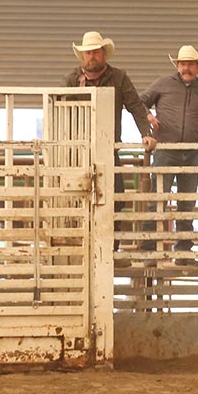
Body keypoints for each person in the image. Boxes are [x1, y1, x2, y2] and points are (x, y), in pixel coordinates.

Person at [61, 31, 157, 267]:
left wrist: (146, 133)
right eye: (87, 53)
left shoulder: (119, 78)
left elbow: (135, 105)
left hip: (108, 149)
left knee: (116, 199)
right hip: (78, 150)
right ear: (82, 56)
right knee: (77, 200)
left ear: (103, 54)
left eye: (94, 52)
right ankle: (82, 250)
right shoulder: (71, 79)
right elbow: (60, 109)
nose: (91, 57)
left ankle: (109, 252)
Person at [139, 45, 198, 266]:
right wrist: (148, 115)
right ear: (177, 65)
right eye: (183, 64)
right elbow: (140, 102)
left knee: (187, 203)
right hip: (166, 149)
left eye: (190, 64)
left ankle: (184, 253)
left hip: (192, 152)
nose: (186, 68)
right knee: (158, 199)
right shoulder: (162, 83)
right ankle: (148, 251)